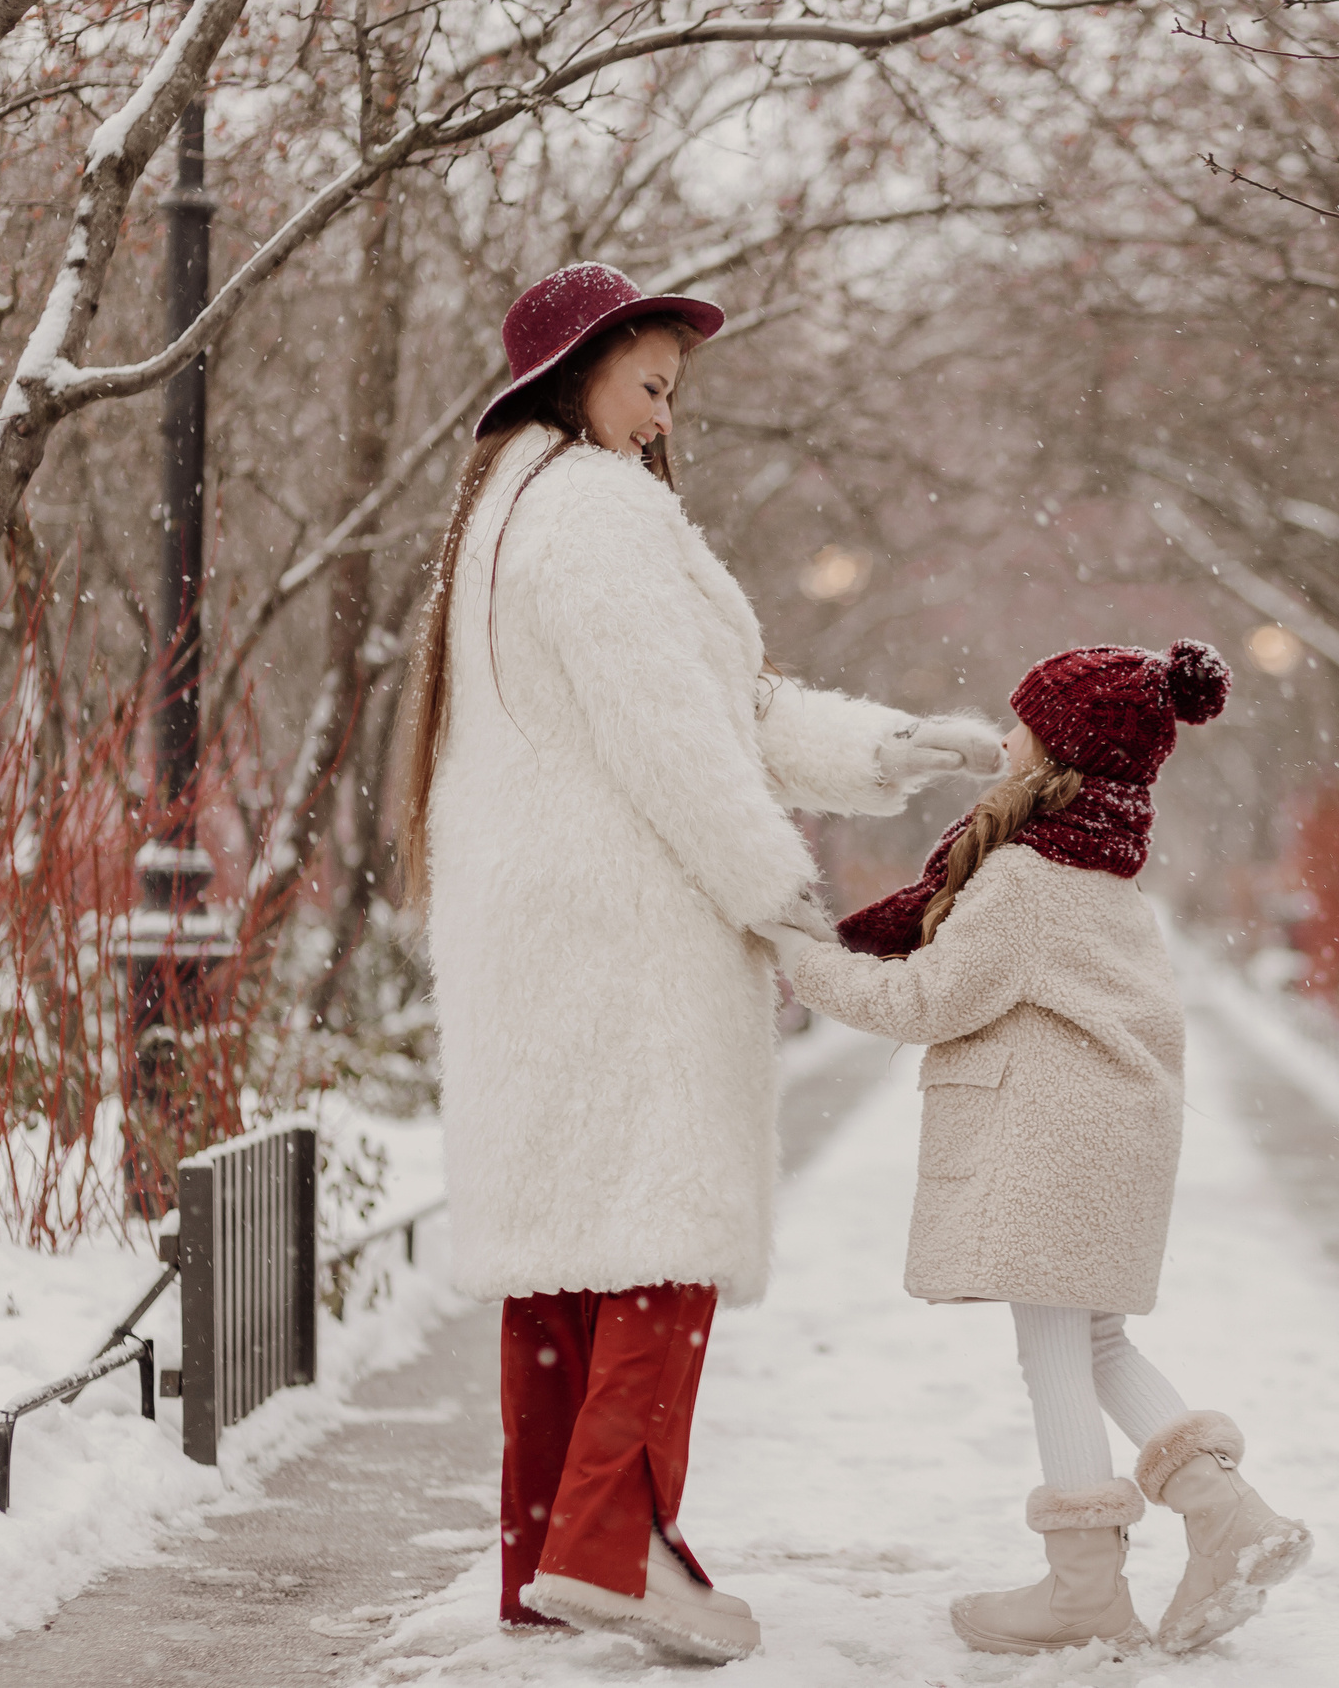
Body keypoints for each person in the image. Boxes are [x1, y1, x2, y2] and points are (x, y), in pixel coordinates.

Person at [394, 262, 1004, 1664]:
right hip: (633, 925)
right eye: (650, 384)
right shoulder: (599, 518)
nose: (665, 420)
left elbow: (717, 704)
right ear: (578, 370)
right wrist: (782, 895)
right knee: (666, 1224)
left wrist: (885, 745)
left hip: (536, 930)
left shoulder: (505, 517)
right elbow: (683, 740)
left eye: (673, 395)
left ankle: (551, 1545)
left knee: (568, 1251)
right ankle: (613, 1548)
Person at [751, 640, 1313, 1658]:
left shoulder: (1022, 879)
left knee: (1054, 1351)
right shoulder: (1100, 875)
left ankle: (1084, 1591)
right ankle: (1226, 1517)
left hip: (1056, 1141)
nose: (1003, 737)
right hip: (1110, 1137)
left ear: (1056, 753)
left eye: (1022, 723)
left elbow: (926, 999)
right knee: (1092, 1341)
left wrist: (796, 956)